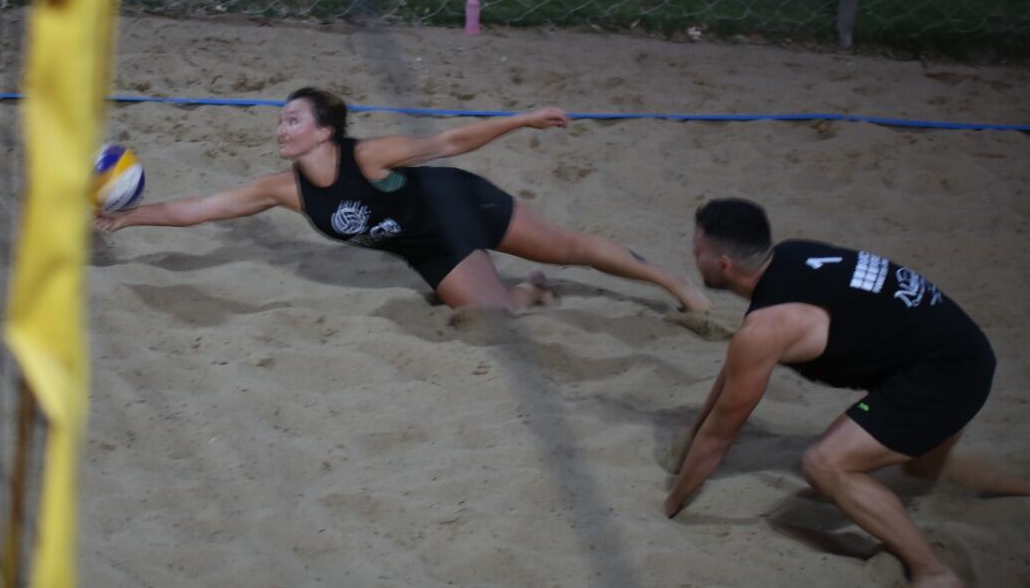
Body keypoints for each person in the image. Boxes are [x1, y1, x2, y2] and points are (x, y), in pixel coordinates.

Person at [666, 198, 1030, 588]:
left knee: (825, 464)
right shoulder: (792, 255)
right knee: (921, 467)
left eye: (698, 248)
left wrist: (671, 505)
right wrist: (693, 433)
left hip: (945, 375)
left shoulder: (766, 328)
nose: (693, 253)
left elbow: (724, 432)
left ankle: (932, 571)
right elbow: (734, 372)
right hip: (964, 349)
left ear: (724, 265)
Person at [94, 87, 713, 314]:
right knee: (494, 316)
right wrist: (130, 215)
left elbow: (449, 140)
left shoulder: (369, 155)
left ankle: (673, 284)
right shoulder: (284, 191)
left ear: (323, 131)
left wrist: (521, 119)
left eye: (291, 121)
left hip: (459, 206)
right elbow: (201, 209)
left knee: (572, 247)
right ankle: (531, 290)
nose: (280, 130)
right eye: (281, 122)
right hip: (427, 249)